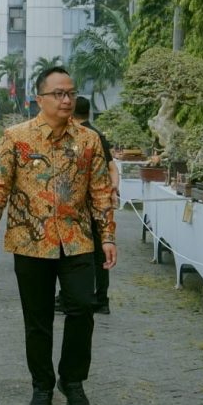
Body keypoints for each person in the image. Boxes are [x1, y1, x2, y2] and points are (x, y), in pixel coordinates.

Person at [0, 66, 117, 405]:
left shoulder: (89, 140)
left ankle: (72, 380)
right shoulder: (16, 137)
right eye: (58, 94)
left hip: (77, 239)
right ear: (39, 98)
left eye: (71, 93)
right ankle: (42, 384)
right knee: (37, 318)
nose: (67, 99)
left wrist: (109, 237)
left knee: (84, 306)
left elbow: (101, 190)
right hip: (29, 241)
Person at [56, 95, 117, 314]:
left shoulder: (80, 137)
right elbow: (112, 168)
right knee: (100, 253)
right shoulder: (98, 135)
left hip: (80, 206)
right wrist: (112, 191)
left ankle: (70, 298)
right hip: (98, 204)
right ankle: (100, 299)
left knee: (73, 252)